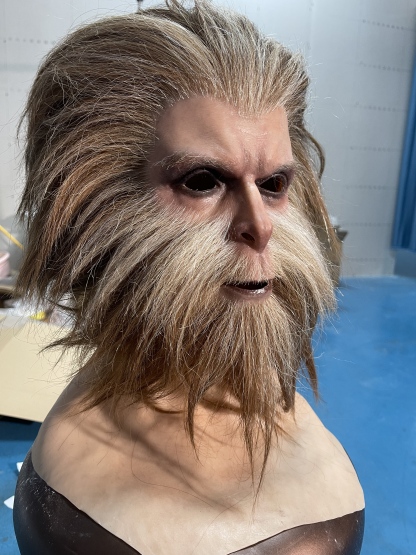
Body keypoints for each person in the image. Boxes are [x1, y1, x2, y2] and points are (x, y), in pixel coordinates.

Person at [13, 1, 364, 553]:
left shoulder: (283, 411)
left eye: (273, 185)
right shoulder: (87, 506)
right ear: (97, 202)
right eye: (202, 181)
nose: (260, 226)